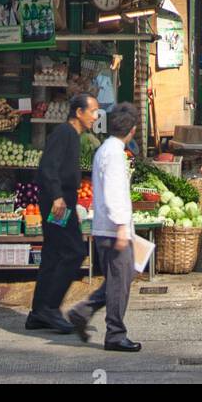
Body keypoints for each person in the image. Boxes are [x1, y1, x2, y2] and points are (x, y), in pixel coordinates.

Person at [66, 103, 142, 352]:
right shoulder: (114, 154)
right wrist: (121, 226)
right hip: (112, 228)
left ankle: (82, 312)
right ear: (131, 130)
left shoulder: (107, 149)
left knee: (119, 277)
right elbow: (114, 192)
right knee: (120, 280)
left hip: (107, 227)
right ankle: (115, 334)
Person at [27, 91, 99, 335]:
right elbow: (48, 166)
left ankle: (37, 313)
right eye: (93, 112)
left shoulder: (74, 135)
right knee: (75, 250)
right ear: (79, 112)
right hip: (57, 203)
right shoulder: (64, 133)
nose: (95, 116)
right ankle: (50, 307)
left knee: (53, 252)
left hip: (63, 201)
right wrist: (57, 196)